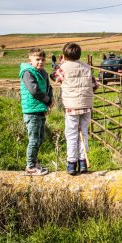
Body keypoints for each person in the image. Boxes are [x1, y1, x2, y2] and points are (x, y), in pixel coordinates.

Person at [50, 42, 98, 175]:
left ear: (64, 55)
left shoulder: (63, 68)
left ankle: (71, 163)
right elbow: (95, 85)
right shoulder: (87, 67)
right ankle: (83, 162)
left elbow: (54, 77)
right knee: (84, 133)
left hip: (72, 106)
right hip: (86, 106)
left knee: (71, 135)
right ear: (79, 54)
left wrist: (60, 64)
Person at [19, 48, 53, 175]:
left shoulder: (43, 72)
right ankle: (30, 167)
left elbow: (49, 87)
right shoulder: (27, 72)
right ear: (30, 60)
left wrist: (51, 99)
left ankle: (34, 161)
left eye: (43, 59)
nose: (40, 62)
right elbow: (34, 90)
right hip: (31, 110)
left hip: (40, 109)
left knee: (40, 137)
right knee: (33, 139)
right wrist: (47, 100)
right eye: (37, 59)